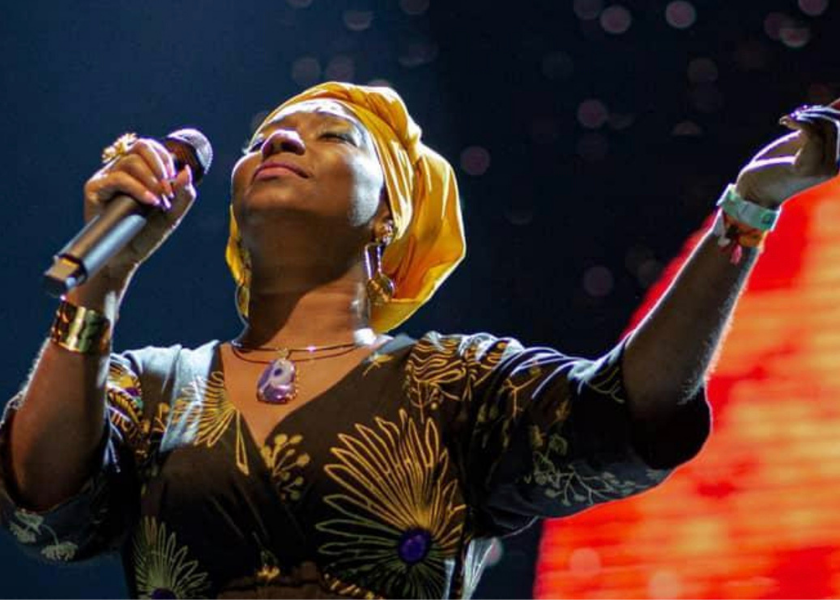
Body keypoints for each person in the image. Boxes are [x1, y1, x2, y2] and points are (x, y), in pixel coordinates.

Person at [0, 82, 837, 599]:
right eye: (261, 142)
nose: (279, 142)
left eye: (333, 135)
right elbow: (43, 500)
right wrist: (101, 285)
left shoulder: (457, 383)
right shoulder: (149, 389)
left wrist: (748, 210)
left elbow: (630, 409)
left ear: (390, 213)